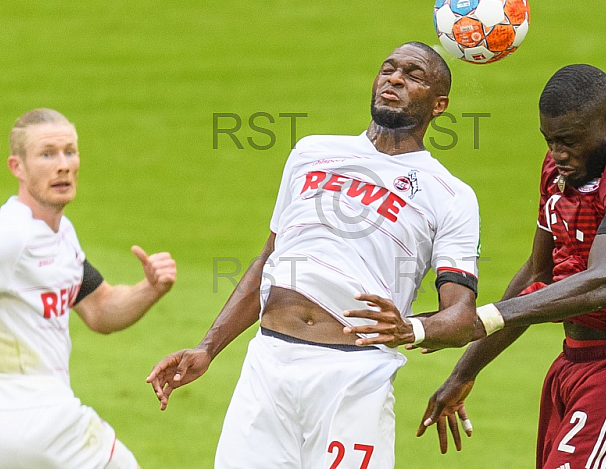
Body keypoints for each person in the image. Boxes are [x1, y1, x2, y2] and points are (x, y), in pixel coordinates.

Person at [147, 42, 481, 469]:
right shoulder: (311, 152)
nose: (394, 79)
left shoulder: (449, 195)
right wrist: (208, 348)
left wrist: (411, 328)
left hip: (354, 379)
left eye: (412, 75)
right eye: (388, 69)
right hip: (268, 365)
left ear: (439, 105)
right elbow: (269, 258)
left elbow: (461, 316)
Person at [417, 64, 606, 468]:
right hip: (572, 364)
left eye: (569, 141)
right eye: (550, 141)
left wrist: (479, 319)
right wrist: (465, 371)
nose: (558, 154)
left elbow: (603, 281)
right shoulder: (560, 171)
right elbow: (538, 274)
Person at [0, 109, 177, 469]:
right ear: (17, 167)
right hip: (38, 420)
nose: (63, 165)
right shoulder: (10, 234)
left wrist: (150, 289)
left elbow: (101, 309)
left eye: (69, 152)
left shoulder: (61, 234)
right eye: (47, 154)